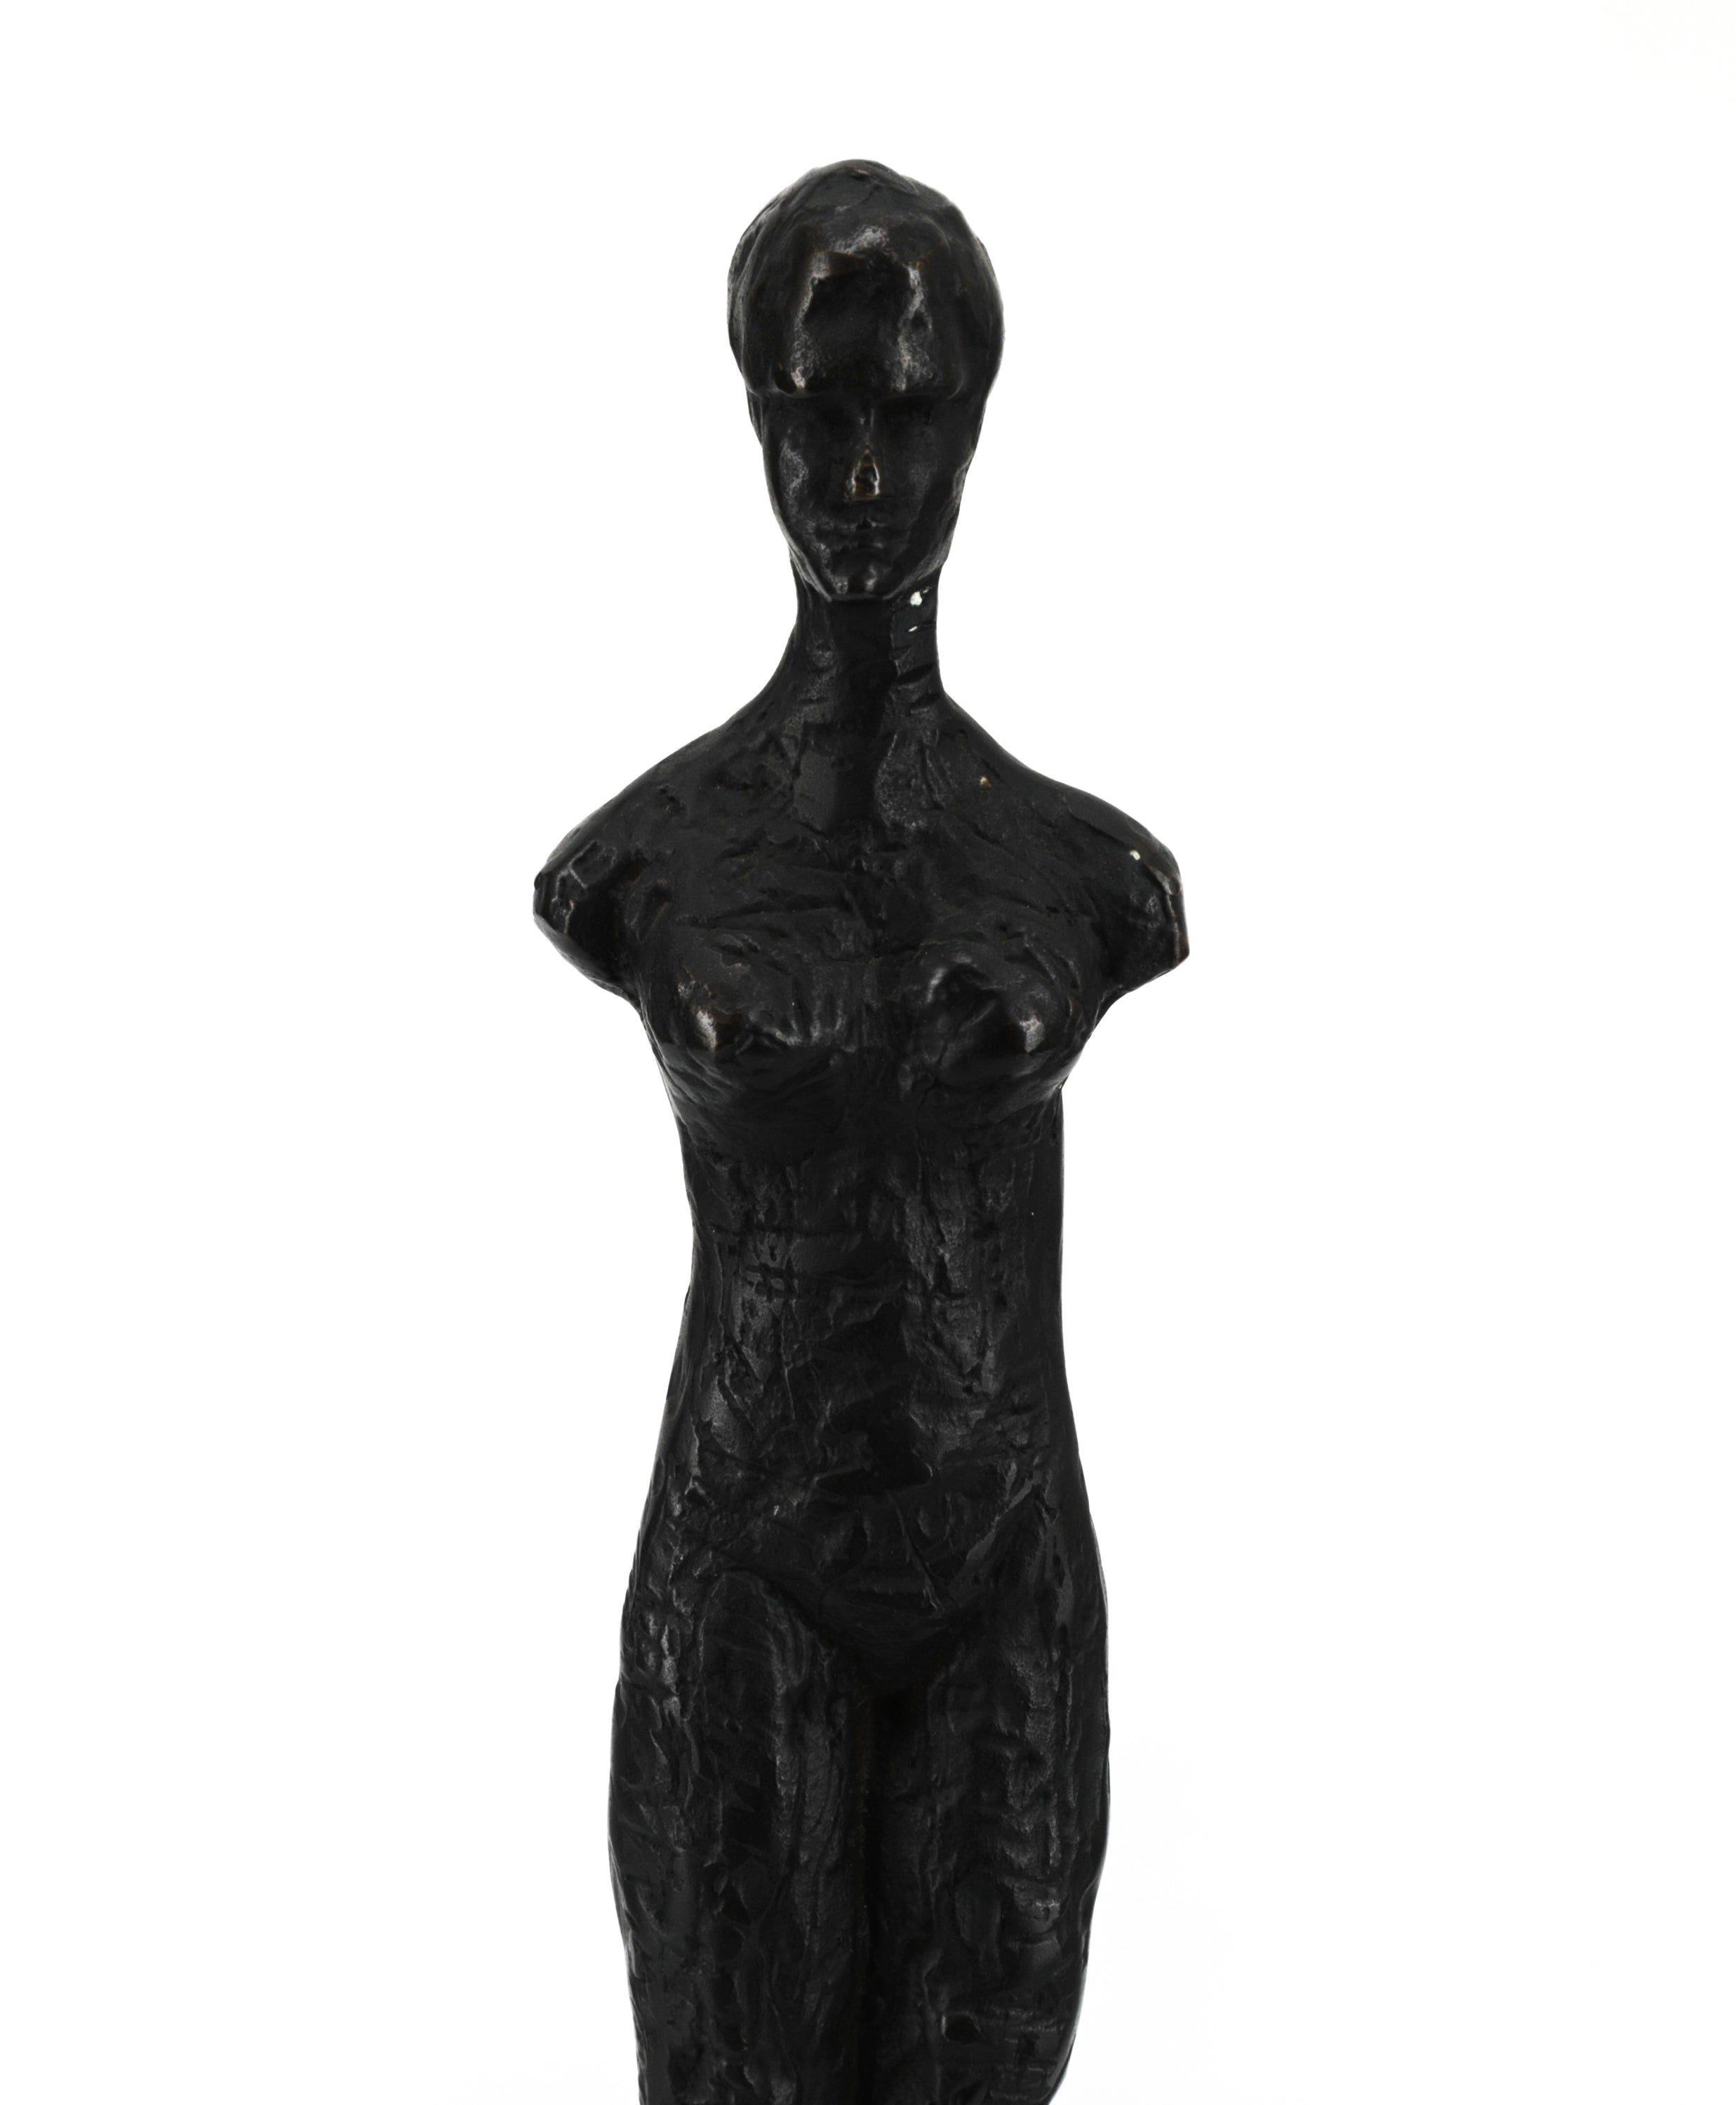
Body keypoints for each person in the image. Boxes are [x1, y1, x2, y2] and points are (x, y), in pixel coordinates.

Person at [536, 159, 1187, 2105]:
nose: (860, 473)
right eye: (814, 412)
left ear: (975, 419)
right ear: (755, 413)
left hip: (1003, 1564)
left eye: (907, 412)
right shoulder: (644, 862)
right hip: (751, 1557)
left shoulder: (1089, 878)